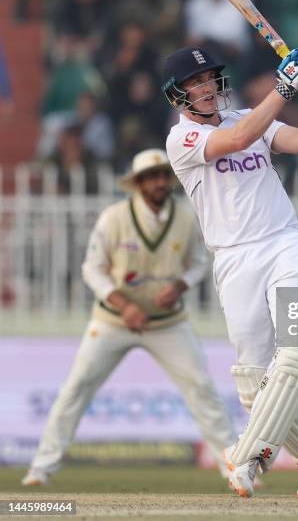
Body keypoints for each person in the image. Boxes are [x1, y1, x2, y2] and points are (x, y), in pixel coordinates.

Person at [164, 45, 298, 499]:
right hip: (234, 258)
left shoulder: (249, 116)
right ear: (177, 96)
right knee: (254, 383)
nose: (207, 87)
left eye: (210, 78)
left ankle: (246, 458)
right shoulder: (181, 140)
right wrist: (284, 88)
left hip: (284, 242)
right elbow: (238, 140)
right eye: (195, 83)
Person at [22, 149, 237, 486]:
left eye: (165, 175)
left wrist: (180, 285)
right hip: (113, 321)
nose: (160, 182)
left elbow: (198, 263)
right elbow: (92, 270)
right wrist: (125, 305)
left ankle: (233, 467)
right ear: (138, 183)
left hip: (168, 322)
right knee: (76, 388)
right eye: (152, 177)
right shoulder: (114, 218)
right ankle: (41, 468)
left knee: (202, 389)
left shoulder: (184, 217)